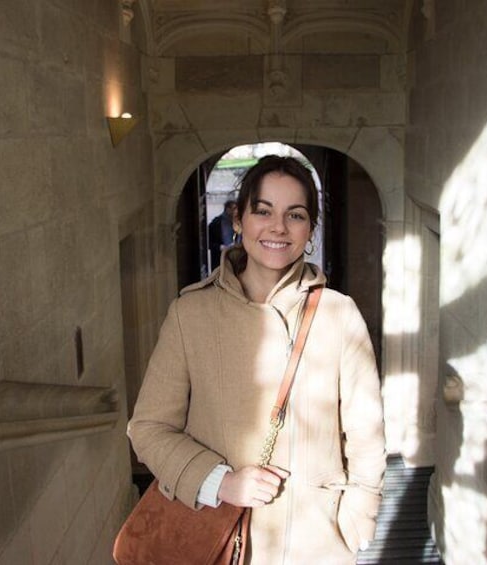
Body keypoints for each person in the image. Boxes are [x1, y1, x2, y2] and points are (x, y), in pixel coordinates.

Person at [127, 155, 386, 563]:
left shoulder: (339, 314)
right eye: (262, 211)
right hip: (222, 538)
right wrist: (220, 481)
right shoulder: (190, 314)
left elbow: (366, 432)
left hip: (317, 542)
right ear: (238, 218)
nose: (278, 227)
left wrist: (359, 514)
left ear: (311, 229)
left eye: (295, 215)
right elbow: (148, 428)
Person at [208, 199, 237, 271]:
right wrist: (220, 247)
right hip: (219, 259)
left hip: (235, 259)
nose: (235, 211)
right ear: (227, 209)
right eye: (233, 209)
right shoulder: (216, 223)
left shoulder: (239, 221)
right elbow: (207, 242)